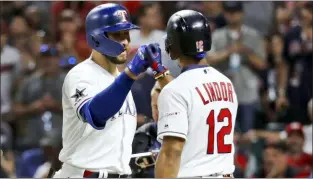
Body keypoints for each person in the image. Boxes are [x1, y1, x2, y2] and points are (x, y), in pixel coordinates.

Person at [53, 3, 151, 178]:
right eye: (117, 35)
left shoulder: (119, 80)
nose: (125, 42)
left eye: (126, 34)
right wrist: (129, 75)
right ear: (96, 38)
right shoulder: (81, 74)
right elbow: (95, 114)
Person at [143, 10, 239, 178]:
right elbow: (191, 94)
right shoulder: (227, 83)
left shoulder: (176, 90)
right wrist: (160, 72)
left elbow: (171, 152)